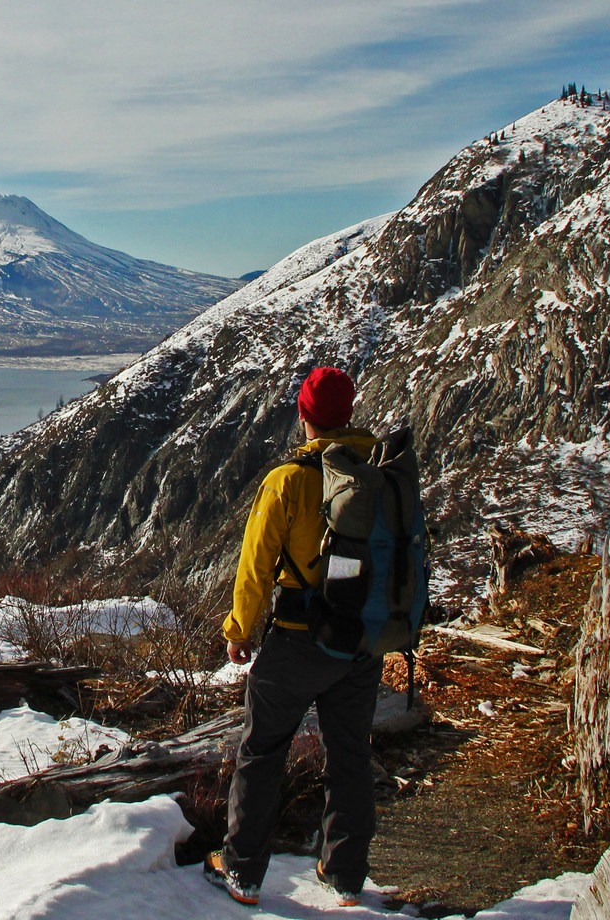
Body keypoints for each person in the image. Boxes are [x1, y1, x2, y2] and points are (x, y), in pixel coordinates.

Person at [205, 366, 383, 908]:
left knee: (262, 751)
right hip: (361, 642)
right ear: (349, 413)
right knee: (350, 754)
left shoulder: (289, 479)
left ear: (304, 415)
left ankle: (243, 871)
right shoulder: (379, 471)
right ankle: (346, 875)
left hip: (298, 638)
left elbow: (255, 565)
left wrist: (238, 629)